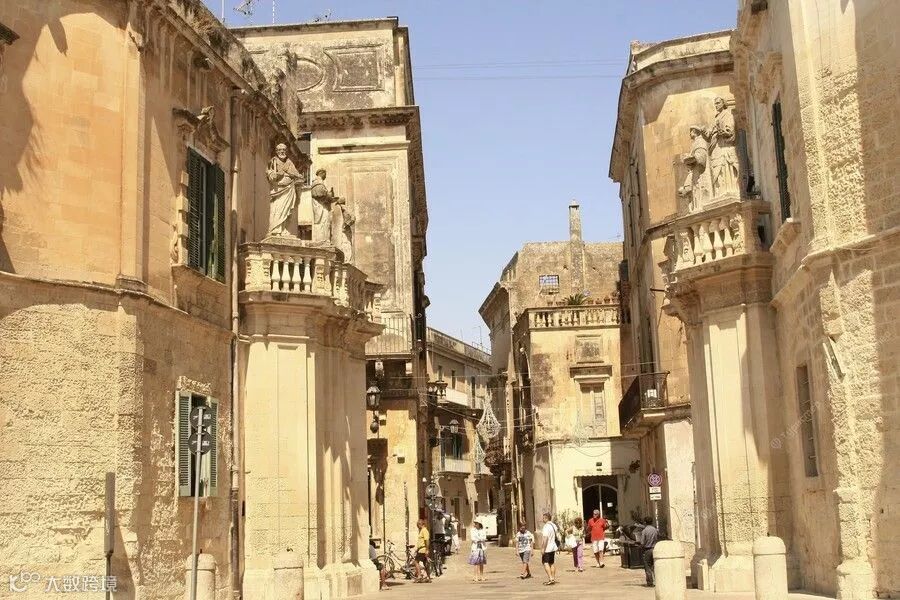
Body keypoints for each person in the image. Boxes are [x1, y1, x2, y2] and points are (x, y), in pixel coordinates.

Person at [266, 143, 303, 237]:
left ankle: (283, 229)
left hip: (289, 188)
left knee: (287, 210)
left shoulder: (289, 162)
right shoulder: (273, 161)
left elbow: (297, 174)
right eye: (280, 150)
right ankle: (275, 229)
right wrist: (274, 175)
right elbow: (269, 173)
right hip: (278, 189)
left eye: (284, 150)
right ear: (276, 151)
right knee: (277, 208)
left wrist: (298, 177)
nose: (282, 152)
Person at [540, 512, 560, 586]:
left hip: (547, 548)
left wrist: (543, 548)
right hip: (553, 547)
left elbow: (545, 538)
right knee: (552, 563)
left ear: (546, 518)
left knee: (545, 563)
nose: (542, 519)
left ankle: (550, 578)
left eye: (543, 518)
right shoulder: (553, 525)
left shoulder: (546, 527)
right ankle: (553, 578)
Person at [640, 516, 659, 587]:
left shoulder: (644, 531)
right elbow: (658, 538)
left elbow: (642, 542)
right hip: (655, 549)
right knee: (654, 566)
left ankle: (650, 582)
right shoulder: (655, 530)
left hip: (647, 550)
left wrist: (640, 547)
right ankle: (658, 581)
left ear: (645, 522)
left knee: (647, 566)